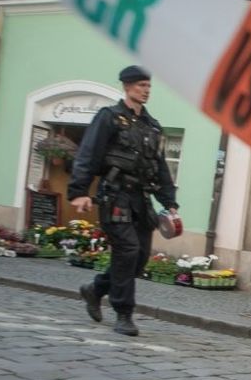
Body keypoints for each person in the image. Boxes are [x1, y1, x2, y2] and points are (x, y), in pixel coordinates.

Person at [68, 66, 179, 336]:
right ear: (127, 86)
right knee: (127, 251)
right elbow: (88, 153)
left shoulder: (152, 126)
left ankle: (94, 290)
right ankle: (123, 313)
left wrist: (169, 200)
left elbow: (160, 166)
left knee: (139, 258)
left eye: (149, 86)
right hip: (115, 195)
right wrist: (79, 191)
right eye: (141, 85)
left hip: (141, 200)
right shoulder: (109, 117)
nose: (146, 90)